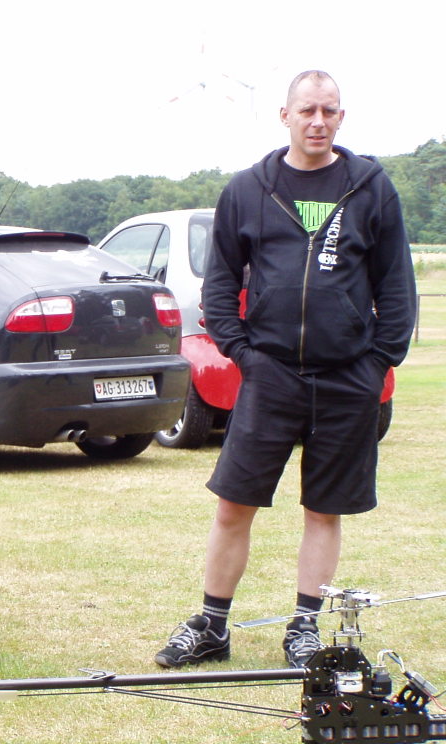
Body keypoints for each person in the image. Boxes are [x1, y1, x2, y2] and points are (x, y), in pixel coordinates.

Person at [154, 70, 415, 669]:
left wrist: (378, 363)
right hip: (271, 375)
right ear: (285, 115)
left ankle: (304, 627)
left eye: (329, 111)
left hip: (348, 378)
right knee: (233, 504)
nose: (318, 121)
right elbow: (221, 285)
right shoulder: (249, 189)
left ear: (341, 117)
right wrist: (246, 356)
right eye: (307, 110)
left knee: (324, 509)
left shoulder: (371, 188)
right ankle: (212, 625)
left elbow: (396, 286)